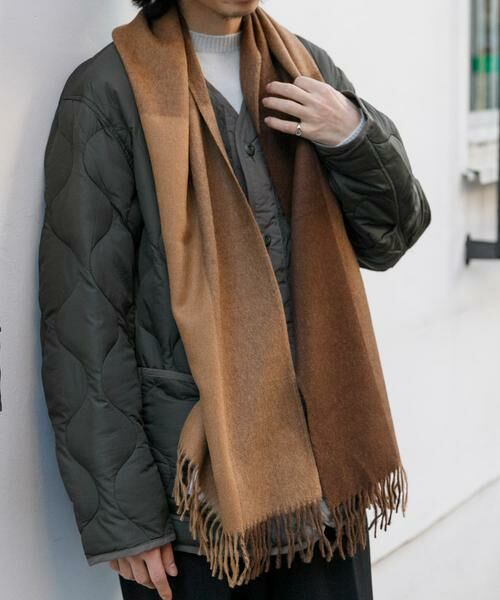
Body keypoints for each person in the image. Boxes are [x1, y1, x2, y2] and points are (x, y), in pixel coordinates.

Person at [37, 0, 431, 599]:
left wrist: (353, 134)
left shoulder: (305, 70)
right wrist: (128, 521)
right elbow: (85, 320)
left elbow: (392, 236)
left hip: (324, 490)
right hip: (199, 512)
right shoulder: (108, 92)